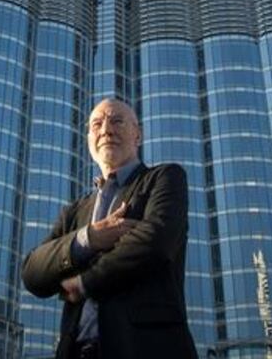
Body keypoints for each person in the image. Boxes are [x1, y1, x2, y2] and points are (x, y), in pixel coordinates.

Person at [21, 97, 198, 359]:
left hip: (147, 347)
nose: (106, 130)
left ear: (137, 135)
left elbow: (155, 241)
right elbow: (32, 273)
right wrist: (89, 238)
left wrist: (85, 282)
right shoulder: (74, 212)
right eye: (97, 124)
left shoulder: (165, 178)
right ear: (89, 139)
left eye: (116, 121)